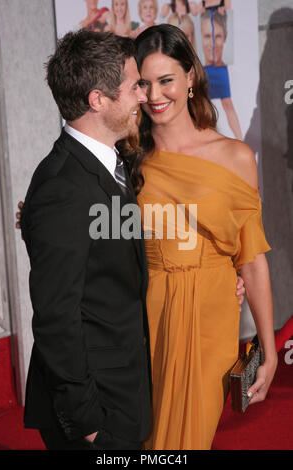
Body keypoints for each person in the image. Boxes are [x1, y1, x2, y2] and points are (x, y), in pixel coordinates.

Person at [132, 24, 277, 450]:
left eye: (166, 80)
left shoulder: (235, 156)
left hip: (212, 315)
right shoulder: (127, 157)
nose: (156, 95)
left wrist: (268, 352)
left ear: (191, 77)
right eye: (144, 83)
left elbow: (251, 257)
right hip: (143, 317)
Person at [19, 29, 151, 451]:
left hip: (123, 387)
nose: (142, 98)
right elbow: (57, 318)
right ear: (98, 100)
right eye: (133, 87)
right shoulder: (62, 188)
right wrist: (89, 425)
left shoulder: (111, 162)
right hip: (95, 410)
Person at [200, 9, 243, 140]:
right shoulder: (196, 71)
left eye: (217, 36)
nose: (212, 44)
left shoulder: (223, 69)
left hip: (219, 68)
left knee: (227, 103)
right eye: (207, 36)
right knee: (201, 104)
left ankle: (240, 140)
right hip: (203, 68)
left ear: (225, 37)